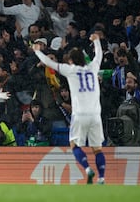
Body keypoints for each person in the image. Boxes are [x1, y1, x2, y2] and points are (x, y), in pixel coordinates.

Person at [32, 33, 106, 184]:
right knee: (97, 148)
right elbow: (99, 54)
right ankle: (102, 177)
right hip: (95, 115)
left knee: (74, 145)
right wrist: (97, 41)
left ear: (71, 60)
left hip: (79, 114)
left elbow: (49, 63)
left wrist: (37, 51)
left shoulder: (70, 70)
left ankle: (87, 168)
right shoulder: (93, 68)